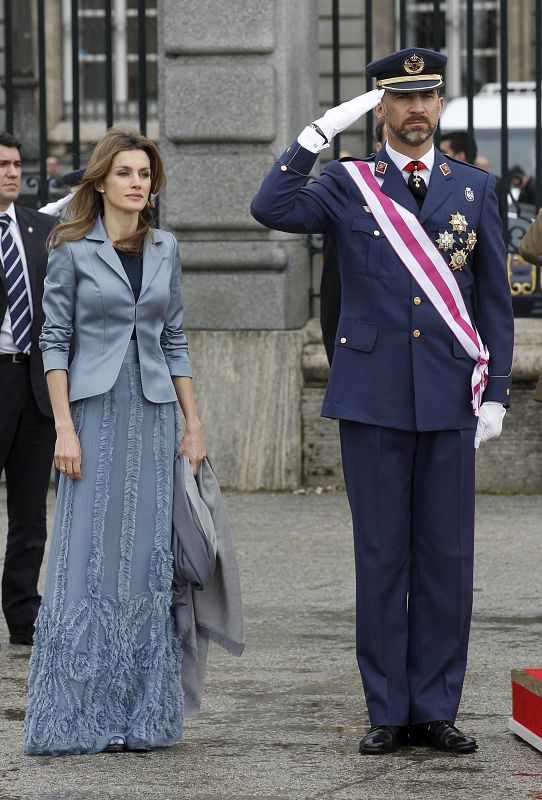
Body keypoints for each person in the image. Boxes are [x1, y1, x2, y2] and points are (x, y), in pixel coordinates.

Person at [251, 47, 514, 755]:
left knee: (447, 559)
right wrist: (317, 134)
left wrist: (496, 393)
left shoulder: (473, 188)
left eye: (427, 96)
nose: (416, 109)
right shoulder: (348, 183)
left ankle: (436, 708)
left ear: (440, 104)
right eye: (401, 97)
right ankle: (388, 710)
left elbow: (493, 301)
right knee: (381, 557)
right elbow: (269, 207)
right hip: (372, 398)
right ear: (380, 109)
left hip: (450, 395)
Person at [24, 127, 206, 756]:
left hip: (154, 415)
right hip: (92, 415)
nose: (137, 183)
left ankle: (141, 716)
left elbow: (174, 338)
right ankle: (74, 718)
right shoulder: (70, 248)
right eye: (125, 172)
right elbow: (53, 341)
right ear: (100, 181)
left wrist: (193, 424)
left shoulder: (166, 248)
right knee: (84, 558)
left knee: (146, 562)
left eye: (145, 174)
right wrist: (63, 428)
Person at [0, 132, 56, 646]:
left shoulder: (41, 228)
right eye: (3, 165)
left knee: (30, 510)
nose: (13, 172)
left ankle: (23, 614)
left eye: (17, 164)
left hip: (35, 382)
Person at [320, 121, 387, 364]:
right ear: (378, 148)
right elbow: (334, 296)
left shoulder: (457, 191)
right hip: (372, 359)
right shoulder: (349, 196)